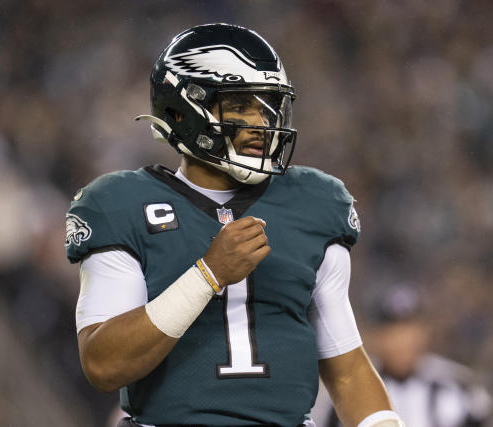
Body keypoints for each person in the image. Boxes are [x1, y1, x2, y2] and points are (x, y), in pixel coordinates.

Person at [65, 23, 404, 427]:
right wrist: (207, 276)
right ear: (181, 110)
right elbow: (104, 364)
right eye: (241, 105)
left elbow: (346, 367)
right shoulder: (120, 204)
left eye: (267, 106)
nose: (261, 122)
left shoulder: (314, 203)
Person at [312, 285, 493, 427]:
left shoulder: (458, 386)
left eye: (410, 330)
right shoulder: (347, 388)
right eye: (394, 332)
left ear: (425, 332)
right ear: (376, 336)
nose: (404, 342)